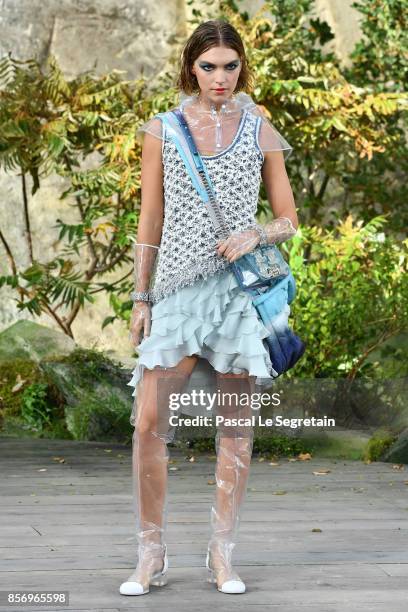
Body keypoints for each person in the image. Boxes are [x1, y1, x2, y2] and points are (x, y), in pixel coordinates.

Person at [119, 18, 299, 596]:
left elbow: (288, 219)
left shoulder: (259, 126)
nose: (220, 78)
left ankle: (222, 553)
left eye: (230, 66)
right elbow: (150, 220)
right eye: (208, 66)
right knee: (150, 423)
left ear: (241, 67)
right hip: (175, 291)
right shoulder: (163, 130)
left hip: (237, 295)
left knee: (236, 428)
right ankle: (151, 553)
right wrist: (140, 297)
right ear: (190, 68)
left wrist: (256, 235)